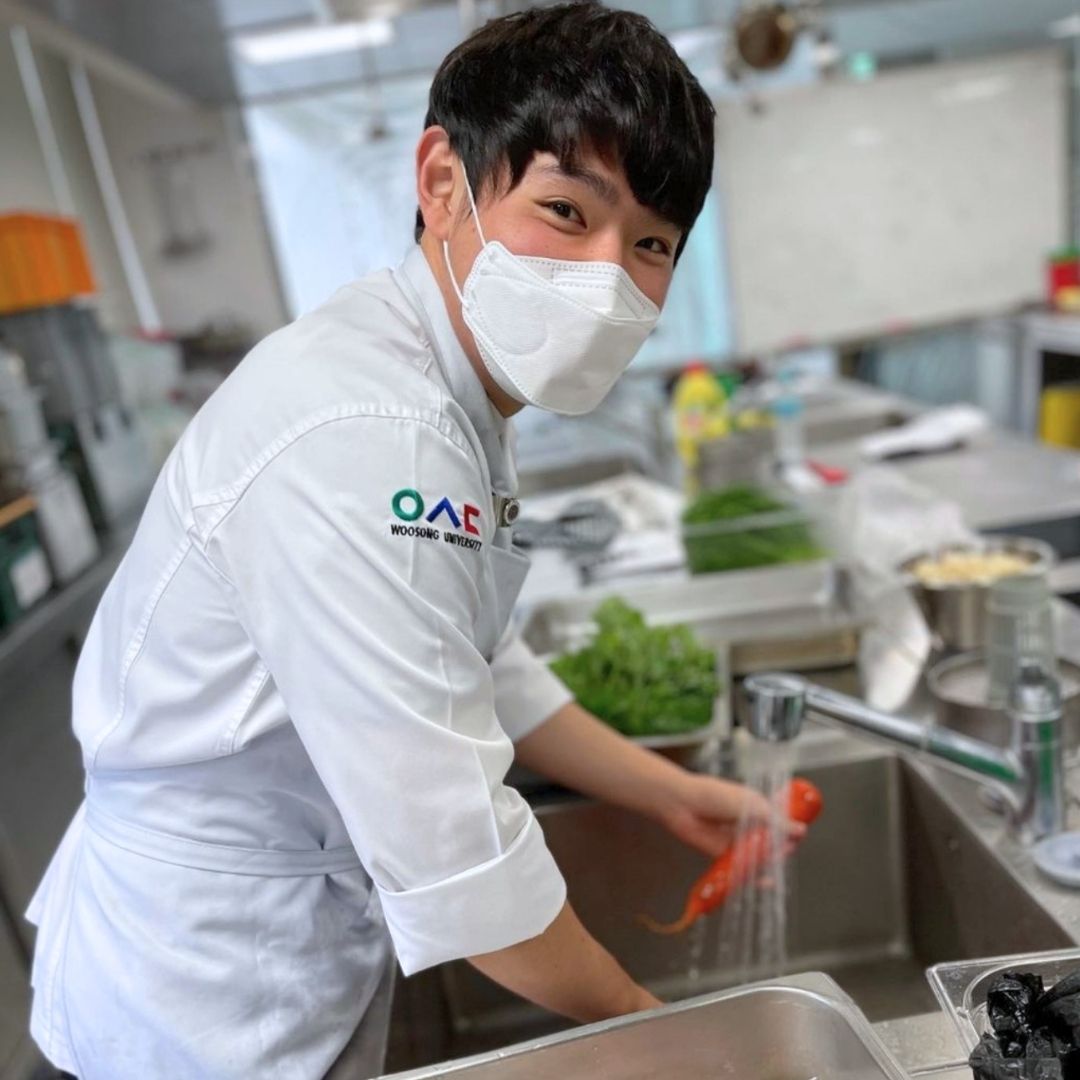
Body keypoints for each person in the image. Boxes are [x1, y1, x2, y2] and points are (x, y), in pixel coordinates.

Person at [27, 4, 804, 1077]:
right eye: (568, 211)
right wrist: (676, 1037)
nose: (608, 278)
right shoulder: (370, 435)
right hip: (200, 1004)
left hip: (275, 951)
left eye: (652, 245)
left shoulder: (443, 383)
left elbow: (475, 662)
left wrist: (667, 793)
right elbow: (462, 863)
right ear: (442, 181)